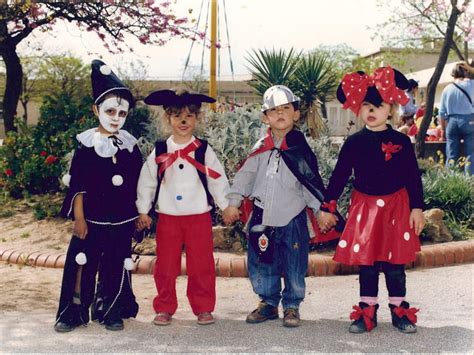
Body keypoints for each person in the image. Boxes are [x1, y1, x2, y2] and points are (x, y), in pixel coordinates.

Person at [319, 66, 425, 334]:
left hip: (396, 208)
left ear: (390, 108)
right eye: (366, 105)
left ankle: (400, 312)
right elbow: (340, 175)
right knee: (366, 265)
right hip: (365, 208)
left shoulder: (401, 140)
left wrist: (417, 208)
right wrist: (327, 205)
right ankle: (366, 314)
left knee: (394, 266)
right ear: (358, 108)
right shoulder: (354, 142)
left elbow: (413, 177)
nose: (371, 110)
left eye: (378, 105)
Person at [225, 85, 342, 328]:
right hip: (261, 215)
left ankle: (292, 305)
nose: (280, 114)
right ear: (265, 117)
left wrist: (321, 209)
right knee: (261, 260)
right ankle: (267, 302)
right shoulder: (260, 148)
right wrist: (234, 202)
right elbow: (244, 177)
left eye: (286, 108)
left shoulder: (300, 148)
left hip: (292, 217)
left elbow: (308, 182)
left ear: (296, 114)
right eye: (273, 110)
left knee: (294, 261)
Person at [54, 60, 142, 332]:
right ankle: (74, 312)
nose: (116, 117)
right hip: (91, 220)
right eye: (110, 110)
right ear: (96, 110)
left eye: (122, 113)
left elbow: (139, 183)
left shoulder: (129, 145)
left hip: (122, 219)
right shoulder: (87, 145)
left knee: (117, 264)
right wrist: (79, 218)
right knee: (82, 265)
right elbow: (78, 186)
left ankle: (111, 309)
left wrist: (139, 214)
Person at [135, 89, 234, 326]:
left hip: (198, 217)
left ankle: (203, 307)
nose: (183, 120)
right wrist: (143, 210)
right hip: (168, 217)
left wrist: (226, 205)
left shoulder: (202, 150)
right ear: (168, 118)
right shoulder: (160, 151)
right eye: (177, 115)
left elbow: (216, 178)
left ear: (197, 119)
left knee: (202, 265)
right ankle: (165, 307)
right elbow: (147, 181)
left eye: (189, 116)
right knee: (166, 266)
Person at [439, 62, 474, 175]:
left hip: (451, 122)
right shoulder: (471, 84)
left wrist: (443, 130)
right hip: (469, 120)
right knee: (471, 153)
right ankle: (470, 180)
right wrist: (471, 69)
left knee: (451, 154)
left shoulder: (447, 89)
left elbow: (442, 112)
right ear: (466, 71)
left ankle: (452, 178)